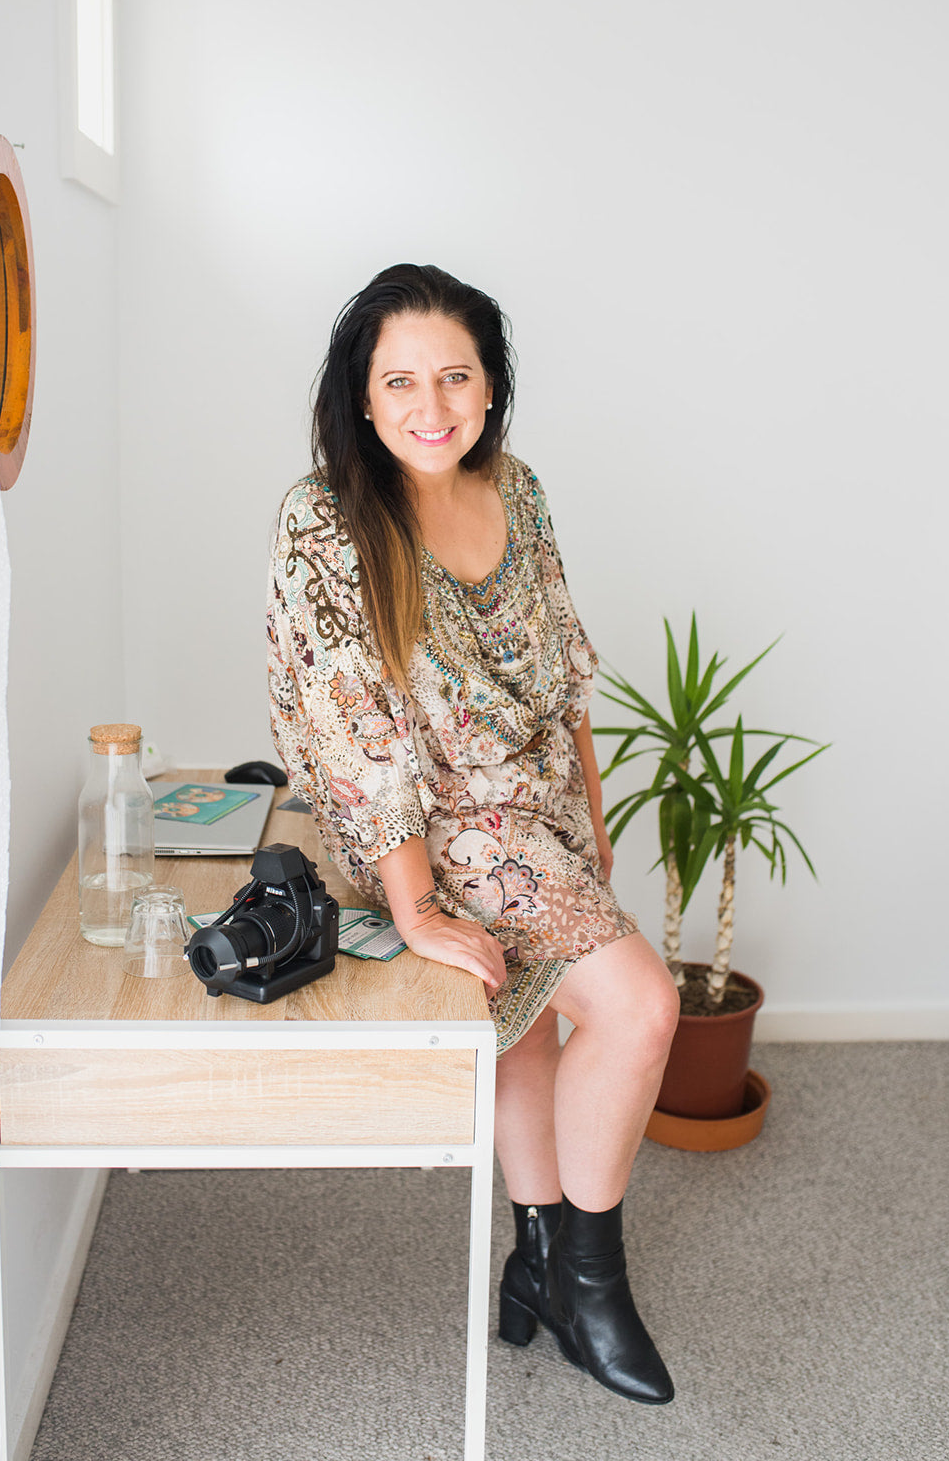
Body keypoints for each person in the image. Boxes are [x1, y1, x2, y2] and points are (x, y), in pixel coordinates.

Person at [267, 263, 680, 1404]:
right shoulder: (326, 522)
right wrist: (417, 909)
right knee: (643, 1005)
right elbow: (356, 737)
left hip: (538, 808)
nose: (430, 404)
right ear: (362, 396)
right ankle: (592, 1284)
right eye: (399, 380)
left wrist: (589, 833)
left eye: (455, 375)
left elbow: (568, 678)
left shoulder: (523, 490)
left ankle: (539, 1256)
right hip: (424, 827)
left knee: (544, 1019)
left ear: (490, 386)